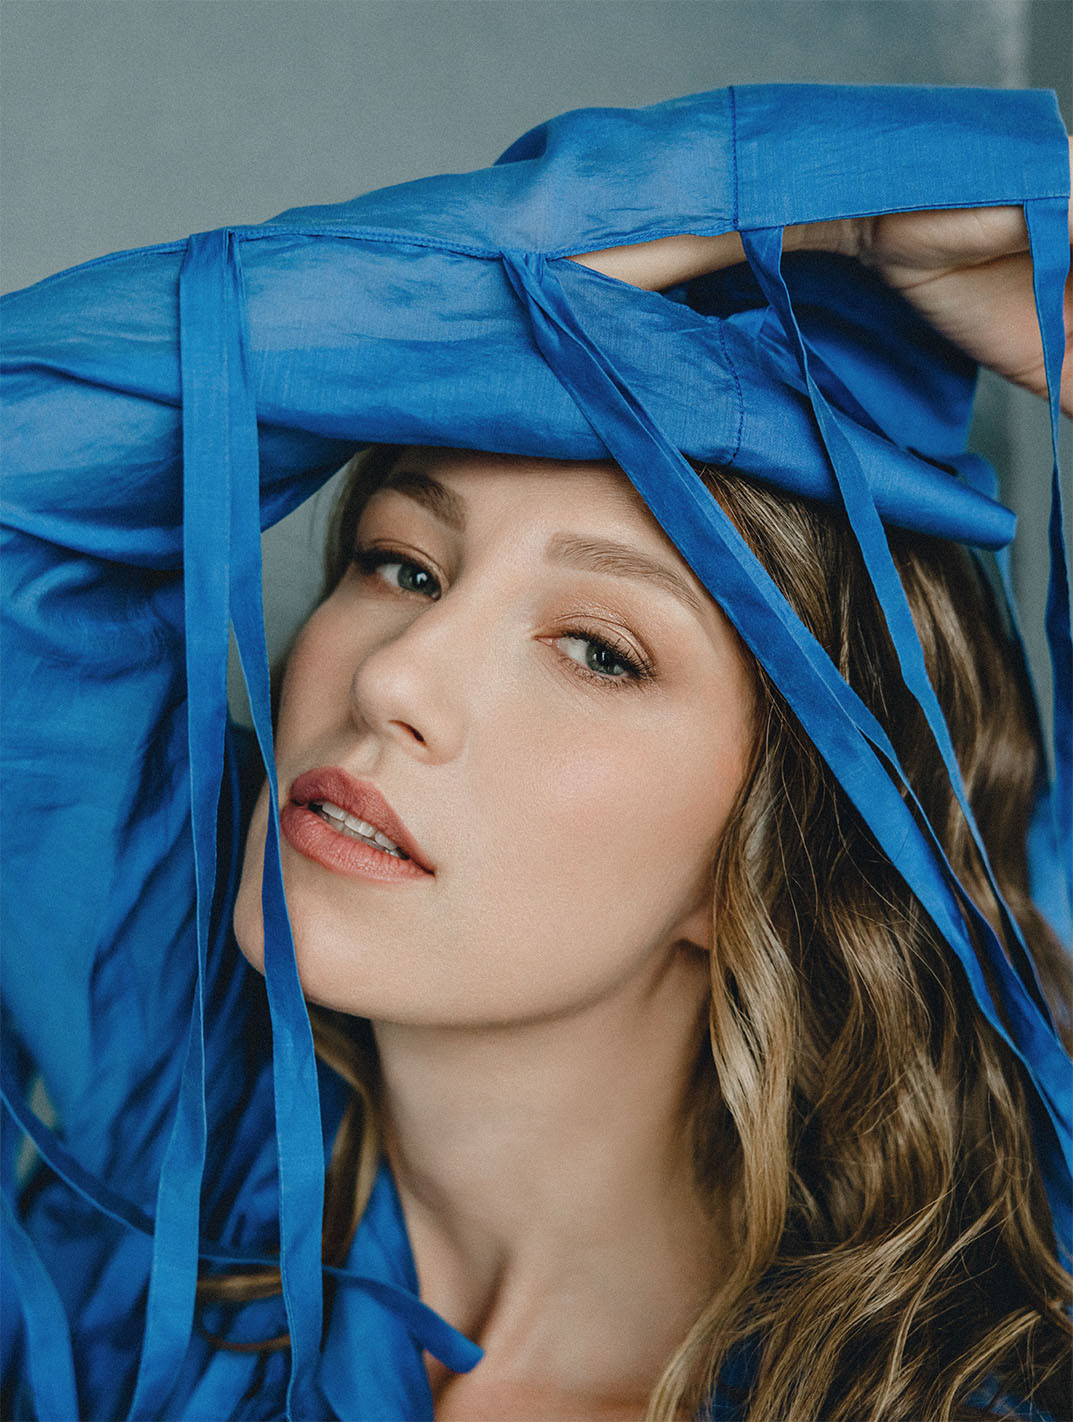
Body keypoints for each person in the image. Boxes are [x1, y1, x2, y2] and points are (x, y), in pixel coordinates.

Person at [1, 84, 1070, 1421]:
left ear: (784, 844)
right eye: (401, 564)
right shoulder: (183, 1166)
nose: (394, 675)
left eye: (599, 650)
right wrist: (796, 194)